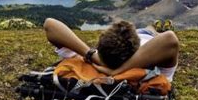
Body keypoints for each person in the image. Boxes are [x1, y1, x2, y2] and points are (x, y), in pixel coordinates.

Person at [43, 18, 179, 82]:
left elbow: (50, 24)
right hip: (147, 38)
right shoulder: (154, 62)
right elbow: (170, 39)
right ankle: (157, 27)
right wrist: (118, 71)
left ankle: (155, 26)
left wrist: (92, 55)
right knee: (152, 30)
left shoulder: (97, 59)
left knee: (146, 29)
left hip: (134, 38)